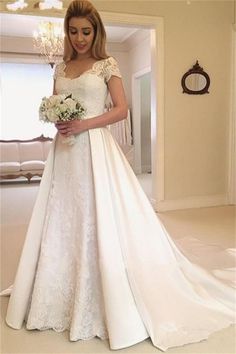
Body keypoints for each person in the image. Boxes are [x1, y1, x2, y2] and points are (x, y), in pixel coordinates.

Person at [1, 0, 235, 351]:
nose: (80, 37)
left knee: (102, 215)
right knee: (62, 217)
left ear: (96, 32)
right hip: (64, 152)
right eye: (74, 31)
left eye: (86, 31)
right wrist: (59, 120)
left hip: (95, 147)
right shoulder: (61, 67)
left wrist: (83, 124)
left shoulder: (107, 64)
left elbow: (121, 109)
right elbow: (55, 104)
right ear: (67, 31)